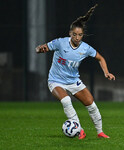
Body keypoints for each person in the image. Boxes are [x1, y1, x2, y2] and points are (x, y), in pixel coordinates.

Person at [35, 4, 115, 139]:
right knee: (66, 100)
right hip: (56, 81)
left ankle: (100, 132)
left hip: (73, 81)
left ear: (83, 35)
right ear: (70, 33)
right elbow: (43, 47)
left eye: (80, 35)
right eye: (74, 34)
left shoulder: (85, 48)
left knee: (91, 104)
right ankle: (79, 129)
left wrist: (106, 72)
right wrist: (39, 49)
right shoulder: (60, 43)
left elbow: (100, 58)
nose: (77, 37)